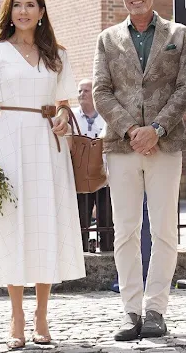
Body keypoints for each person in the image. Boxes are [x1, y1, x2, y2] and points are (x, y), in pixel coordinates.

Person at [0, 0, 86, 349]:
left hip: (47, 144)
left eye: (31, 5)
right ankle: (16, 315)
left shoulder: (58, 55)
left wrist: (63, 117)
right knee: (11, 223)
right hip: (10, 142)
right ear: (10, 11)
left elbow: (64, 103)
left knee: (44, 223)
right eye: (18, 5)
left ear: (41, 12)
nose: (24, 11)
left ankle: (41, 314)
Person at [92, 0, 186, 341]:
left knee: (165, 230)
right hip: (122, 146)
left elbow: (185, 89)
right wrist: (134, 131)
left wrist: (157, 130)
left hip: (165, 144)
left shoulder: (178, 35)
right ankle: (131, 311)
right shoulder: (107, 38)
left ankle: (156, 310)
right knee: (125, 232)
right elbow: (101, 91)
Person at [72, 78, 108, 252]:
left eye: (86, 91)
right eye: (79, 91)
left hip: (105, 174)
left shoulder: (106, 116)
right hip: (80, 175)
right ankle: (82, 250)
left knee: (106, 216)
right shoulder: (71, 117)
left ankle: (108, 247)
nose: (81, 94)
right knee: (81, 216)